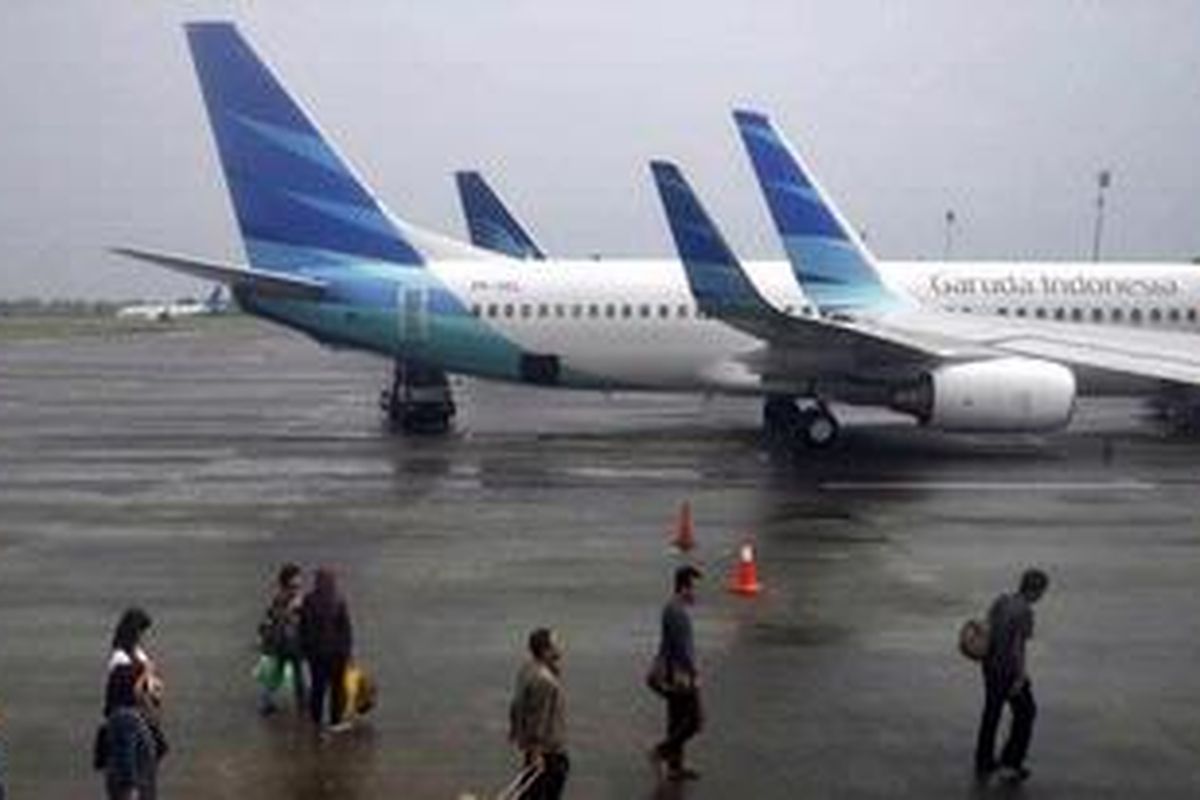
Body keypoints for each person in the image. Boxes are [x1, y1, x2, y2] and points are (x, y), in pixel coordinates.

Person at [974, 568, 1050, 784]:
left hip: (990, 666)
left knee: (991, 714)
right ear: (1035, 590)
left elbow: (986, 626)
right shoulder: (1025, 611)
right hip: (1007, 671)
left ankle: (984, 760)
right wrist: (1020, 677)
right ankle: (1010, 764)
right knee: (1026, 713)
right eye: (1042, 592)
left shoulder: (1002, 600)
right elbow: (1018, 647)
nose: (1042, 596)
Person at [650, 565, 703, 782]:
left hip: (673, 673)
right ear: (684, 588)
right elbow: (683, 648)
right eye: (693, 588)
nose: (695, 594)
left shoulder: (673, 608)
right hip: (680, 676)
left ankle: (675, 766)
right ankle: (661, 751)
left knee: (677, 719)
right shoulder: (677, 612)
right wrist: (695, 673)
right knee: (695, 721)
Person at [508, 627, 569, 800]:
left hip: (536, 750)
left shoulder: (527, 669)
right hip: (549, 752)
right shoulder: (545, 681)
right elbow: (539, 718)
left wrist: (517, 732)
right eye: (556, 644)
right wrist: (537, 752)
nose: (560, 647)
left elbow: (516, 705)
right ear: (545, 651)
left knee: (529, 793)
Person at [299, 566, 354, 731]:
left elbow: (304, 628)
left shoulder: (309, 600)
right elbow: (346, 630)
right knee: (337, 689)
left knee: (318, 688)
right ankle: (335, 721)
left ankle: (315, 720)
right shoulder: (339, 600)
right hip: (336, 654)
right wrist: (348, 653)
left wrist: (305, 650)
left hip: (316, 654)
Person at [102, 663, 165, 800]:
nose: (147, 687)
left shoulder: (131, 716)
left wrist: (153, 703)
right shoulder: (125, 718)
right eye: (143, 682)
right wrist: (130, 790)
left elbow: (160, 748)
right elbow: (126, 757)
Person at [258, 563, 306, 714]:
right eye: (297, 579)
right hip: (286, 642)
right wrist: (292, 610)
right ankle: (268, 702)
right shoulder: (285, 598)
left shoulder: (287, 597)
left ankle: (270, 702)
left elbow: (270, 617)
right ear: (288, 581)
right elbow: (274, 617)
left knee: (290, 674)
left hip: (290, 642)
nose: (300, 582)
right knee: (284, 673)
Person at [107, 608, 163, 711]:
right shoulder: (120, 658)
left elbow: (151, 684)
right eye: (142, 632)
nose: (144, 636)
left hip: (139, 710)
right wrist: (146, 673)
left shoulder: (139, 653)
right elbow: (133, 690)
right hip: (123, 711)